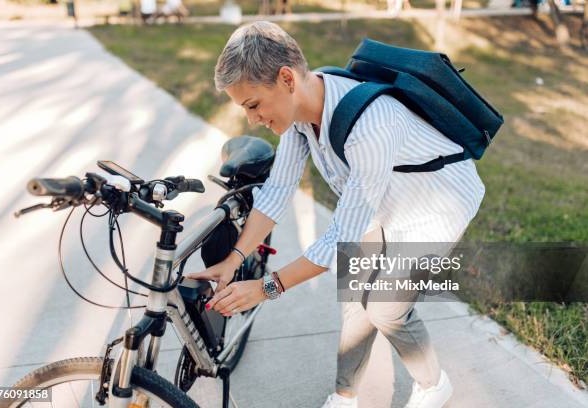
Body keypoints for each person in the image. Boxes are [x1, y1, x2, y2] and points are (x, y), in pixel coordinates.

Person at [186, 21, 485, 408]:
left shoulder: (372, 125)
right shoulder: (300, 112)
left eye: (254, 105)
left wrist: (264, 288)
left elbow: (335, 239)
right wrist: (233, 259)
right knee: (354, 297)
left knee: (385, 307)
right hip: (384, 202)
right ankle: (346, 396)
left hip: (437, 204)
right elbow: (276, 193)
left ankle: (433, 385)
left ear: (287, 78)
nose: (251, 120)